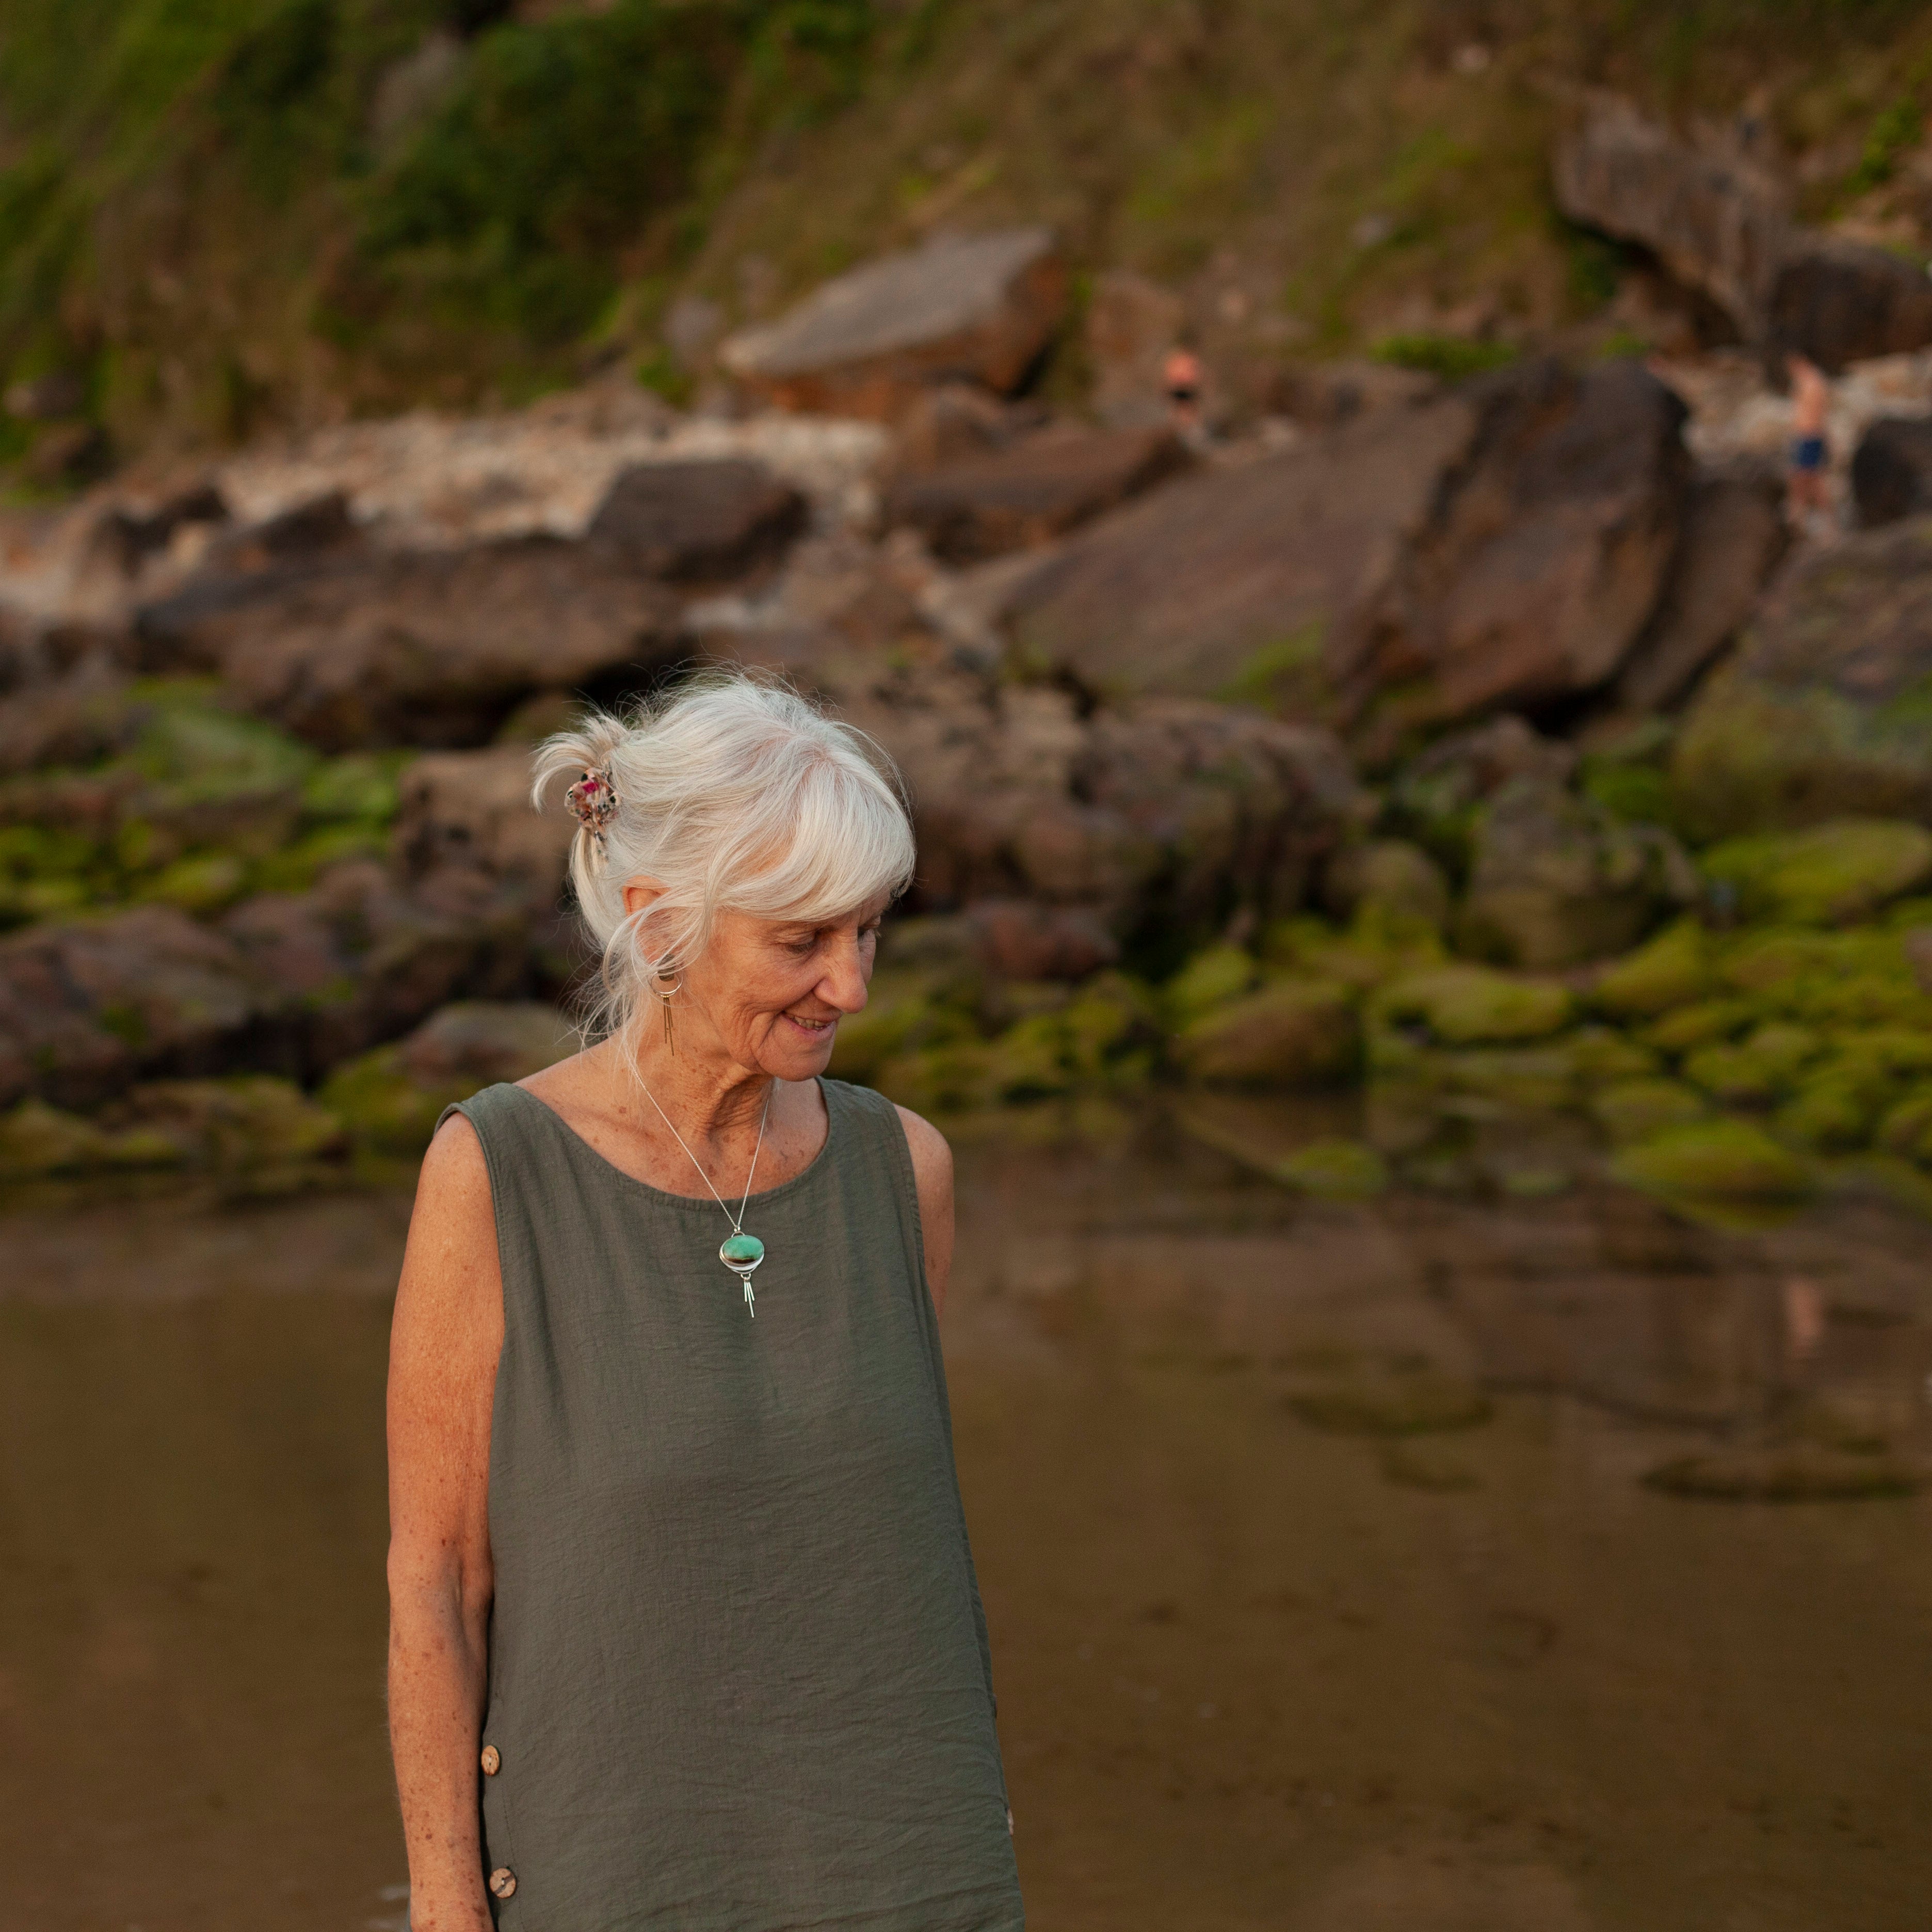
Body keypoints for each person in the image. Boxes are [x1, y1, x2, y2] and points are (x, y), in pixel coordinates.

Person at [385, 672, 1023, 1932]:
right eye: (800, 940)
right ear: (658, 921)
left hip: (910, 1872)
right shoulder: (497, 1171)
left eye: (866, 932)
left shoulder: (906, 1172)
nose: (850, 987)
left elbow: (852, 1547)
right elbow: (435, 1579)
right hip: (614, 1876)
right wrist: (447, 1908)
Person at [1786, 351, 1832, 526]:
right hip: (1805, 436)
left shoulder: (1812, 382)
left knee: (1809, 478)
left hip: (1810, 436)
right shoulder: (1806, 382)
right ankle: (1800, 517)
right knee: (1803, 478)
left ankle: (1804, 518)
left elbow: (1816, 413)